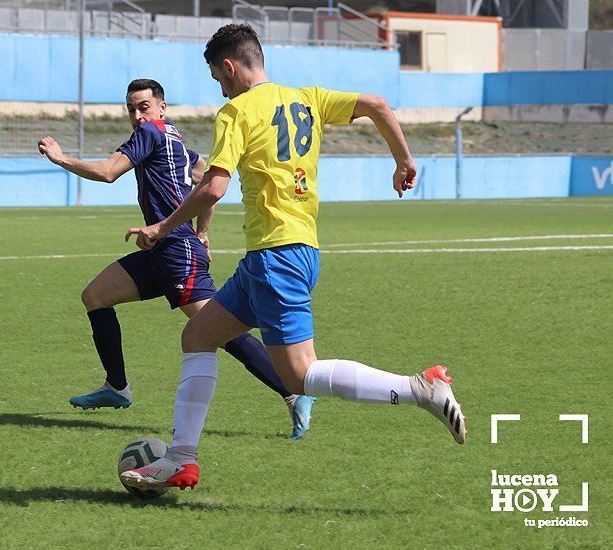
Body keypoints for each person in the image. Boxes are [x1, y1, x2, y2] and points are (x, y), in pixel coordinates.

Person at [121, 25, 467, 491]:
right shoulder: (308, 96)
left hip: (275, 257)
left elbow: (214, 186)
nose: (220, 88)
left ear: (229, 67)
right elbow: (379, 106)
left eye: (218, 78)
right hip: (289, 252)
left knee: (301, 375)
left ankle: (420, 389)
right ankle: (181, 459)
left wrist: (163, 227)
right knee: (198, 335)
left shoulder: (236, 111)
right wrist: (403, 160)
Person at [38, 78, 316, 439]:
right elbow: (205, 178)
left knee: (221, 329)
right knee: (95, 296)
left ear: (161, 107)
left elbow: (108, 172)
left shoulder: (151, 134)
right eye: (131, 109)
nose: (138, 116)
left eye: (144, 107)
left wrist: (60, 158)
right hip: (161, 248)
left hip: (175, 253)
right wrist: (203, 232)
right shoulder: (175, 139)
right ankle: (117, 387)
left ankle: (292, 390)